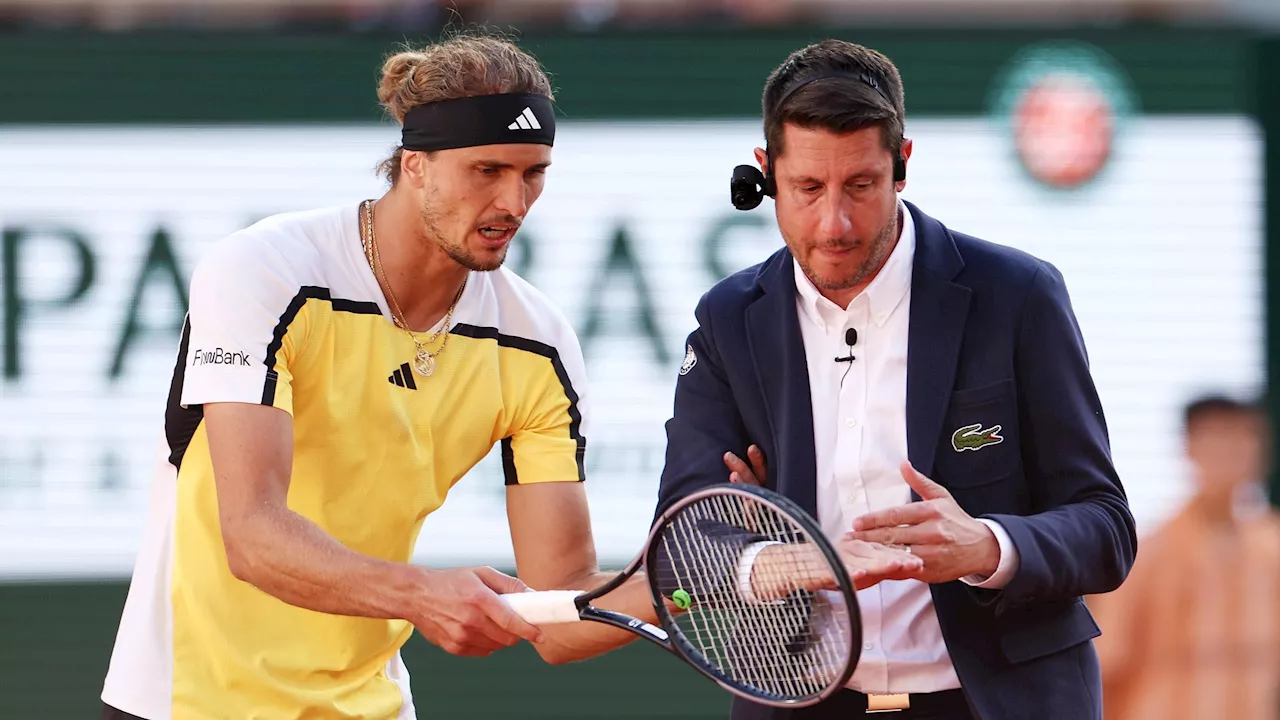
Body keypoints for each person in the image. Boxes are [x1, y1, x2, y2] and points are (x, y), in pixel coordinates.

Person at [98, 33, 919, 720]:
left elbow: (563, 609)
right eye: (485, 170)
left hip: (366, 705)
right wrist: (421, 596)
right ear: (413, 164)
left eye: (531, 174)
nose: (512, 200)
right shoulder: (264, 273)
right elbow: (252, 535)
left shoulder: (537, 345)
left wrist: (724, 575)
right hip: (179, 699)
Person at [656, 39, 1137, 719]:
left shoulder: (1019, 295)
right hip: (805, 701)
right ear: (765, 172)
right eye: (807, 189)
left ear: (902, 165)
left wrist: (985, 545)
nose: (835, 223)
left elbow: (1105, 529)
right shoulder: (730, 320)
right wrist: (790, 561)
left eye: (860, 185)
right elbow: (680, 547)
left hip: (995, 701)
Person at [1088, 394, 1280, 720]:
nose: (1232, 450)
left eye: (1243, 436)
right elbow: (1106, 664)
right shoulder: (1145, 555)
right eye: (1217, 437)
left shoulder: (1273, 549)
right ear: (1190, 447)